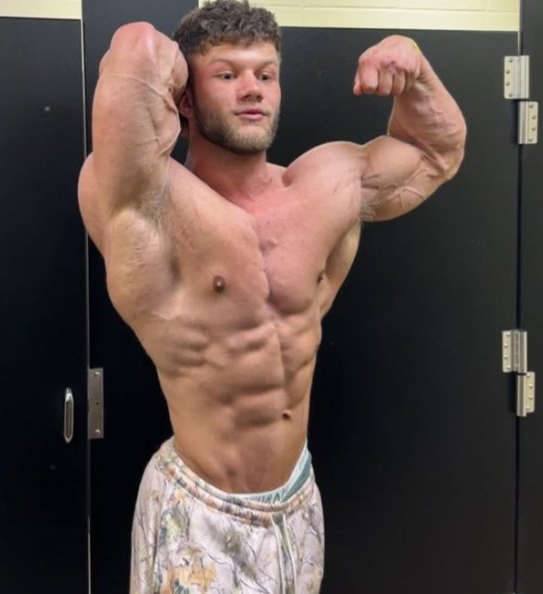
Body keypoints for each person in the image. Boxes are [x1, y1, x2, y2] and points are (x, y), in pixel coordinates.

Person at [78, 1, 466, 592]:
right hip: (199, 511)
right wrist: (167, 61)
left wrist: (415, 70)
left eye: (265, 74)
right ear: (185, 98)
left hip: (297, 499)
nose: (252, 89)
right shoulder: (147, 201)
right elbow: (137, 50)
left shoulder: (329, 183)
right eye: (227, 75)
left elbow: (438, 152)